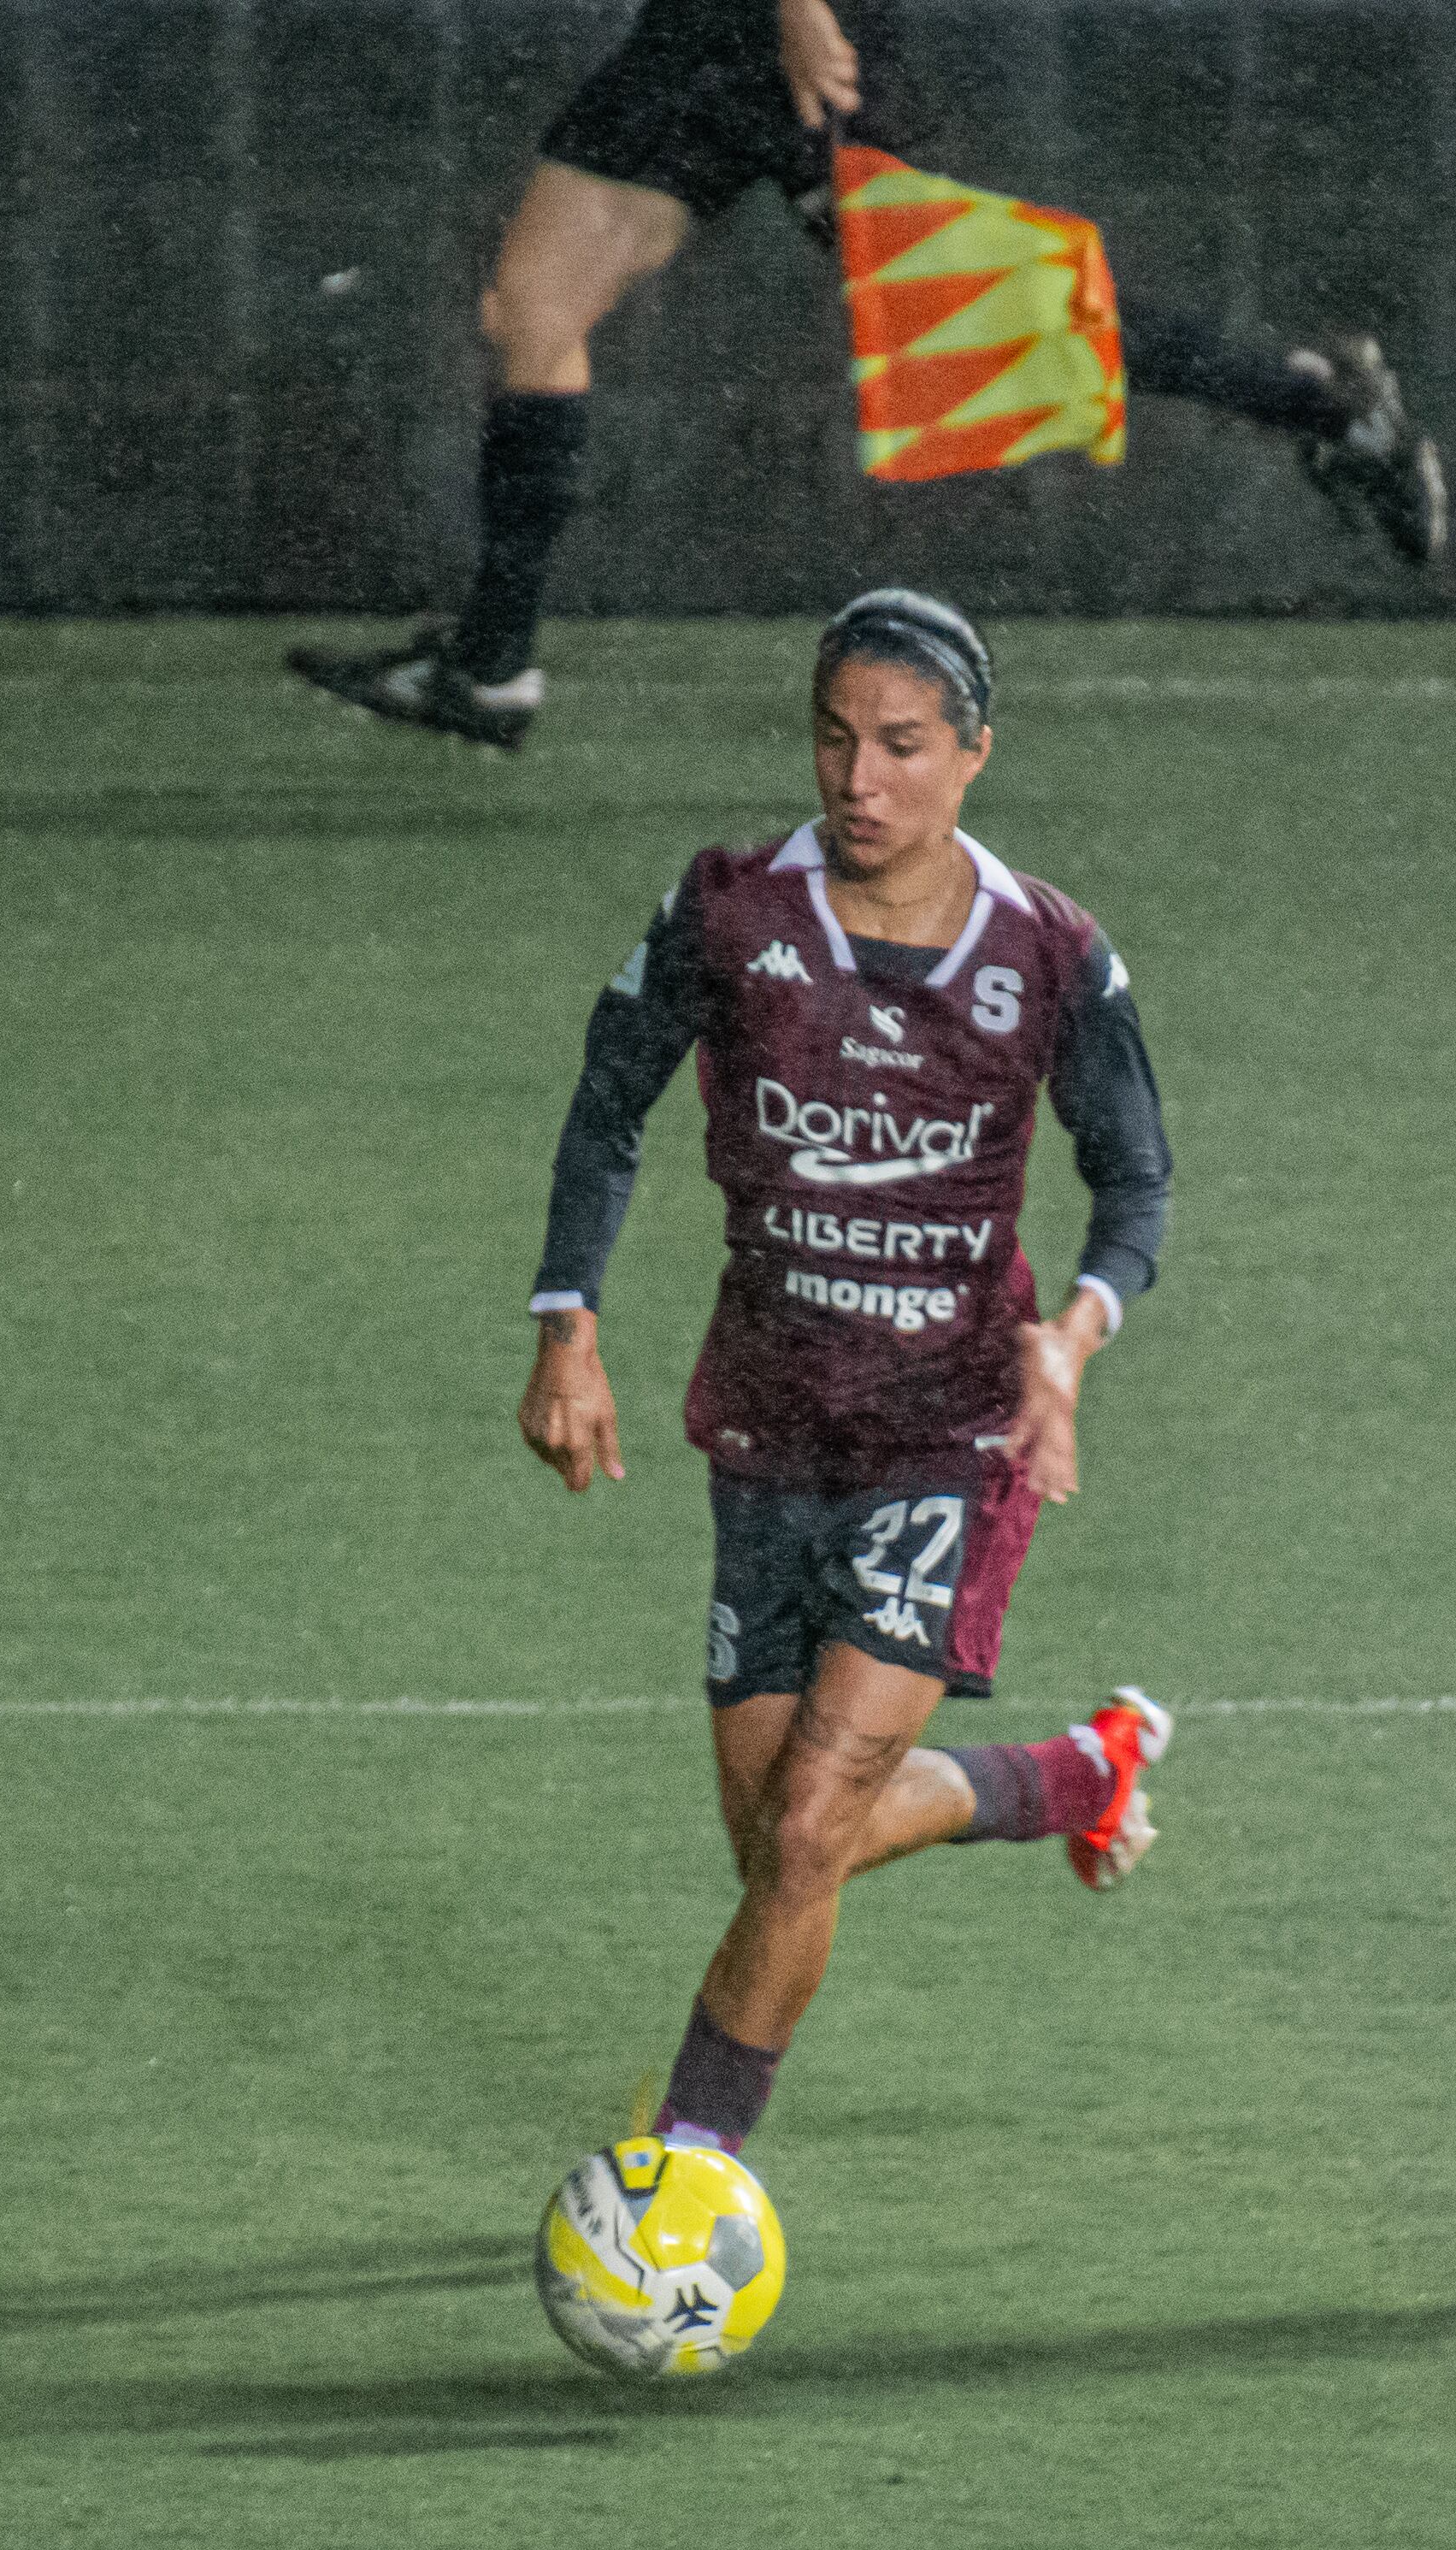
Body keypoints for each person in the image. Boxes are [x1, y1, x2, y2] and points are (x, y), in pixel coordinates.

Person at [517, 586, 1178, 2157]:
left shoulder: (1050, 952)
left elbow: (1136, 1185)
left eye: (900, 747)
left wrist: (1070, 1339)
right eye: (833, 739)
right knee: (775, 1846)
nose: (857, 781)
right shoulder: (733, 913)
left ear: (973, 757)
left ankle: (687, 2171)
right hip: (766, 1423)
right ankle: (1072, 1775)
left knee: (810, 1828)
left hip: (950, 1435)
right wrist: (570, 1325)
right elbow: (609, 1101)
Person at [293, 0, 1446, 751]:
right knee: (534, 310)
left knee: (984, 315)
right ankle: (491, 665)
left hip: (778, 31)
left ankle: (1331, 407)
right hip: (711, 32)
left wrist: (799, 11)